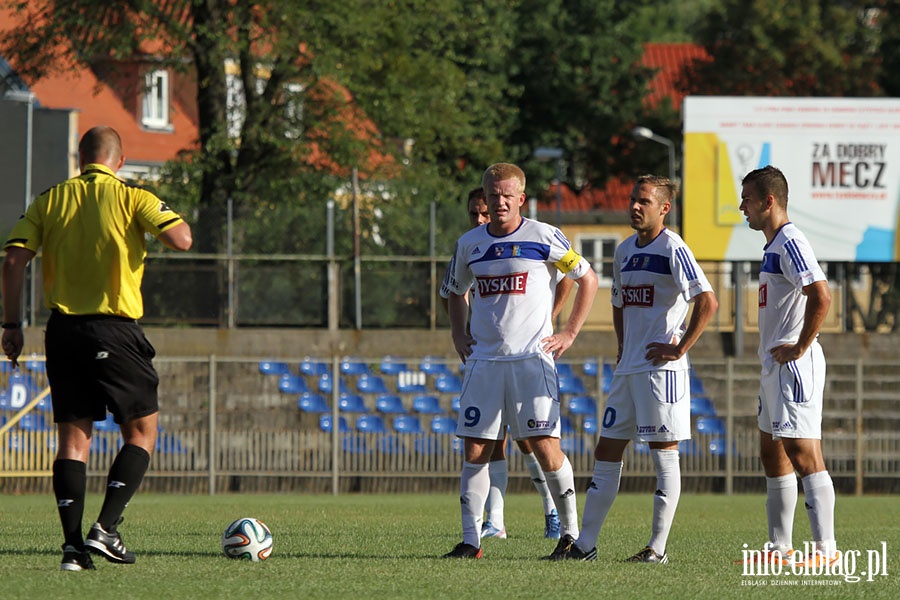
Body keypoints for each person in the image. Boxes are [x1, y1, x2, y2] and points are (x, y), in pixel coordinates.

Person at [1, 126, 193, 571]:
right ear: (119, 161)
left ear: (79, 158)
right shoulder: (132, 197)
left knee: (73, 439)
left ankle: (72, 549)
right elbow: (182, 239)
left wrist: (11, 324)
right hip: (114, 329)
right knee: (142, 431)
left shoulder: (50, 198)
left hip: (62, 331)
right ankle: (105, 528)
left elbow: (12, 260)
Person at [548, 174, 717, 563]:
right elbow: (620, 303)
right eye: (632, 199)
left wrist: (679, 347)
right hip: (628, 370)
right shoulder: (623, 250)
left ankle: (657, 549)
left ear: (664, 208)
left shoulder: (673, 247)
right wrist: (623, 346)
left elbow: (707, 301)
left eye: (644, 201)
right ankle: (585, 545)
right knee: (606, 450)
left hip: (661, 371)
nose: (635, 206)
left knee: (663, 454)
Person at [440, 163, 598, 558]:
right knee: (475, 448)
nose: (499, 202)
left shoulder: (544, 236)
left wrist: (569, 332)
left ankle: (572, 537)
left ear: (521, 198)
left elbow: (587, 278)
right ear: (485, 197)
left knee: (545, 446)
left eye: (507, 195)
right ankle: (471, 541)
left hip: (531, 361)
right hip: (485, 364)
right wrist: (459, 334)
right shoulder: (469, 243)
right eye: (493, 195)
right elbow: (454, 290)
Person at [736, 165, 837, 568]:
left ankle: (826, 551)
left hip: (794, 364)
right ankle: (780, 549)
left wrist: (799, 345)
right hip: (774, 366)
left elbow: (822, 295)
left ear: (768, 201)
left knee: (802, 451)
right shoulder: (773, 246)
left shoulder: (791, 240)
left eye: (747, 199)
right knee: (772, 451)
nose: (742, 207)